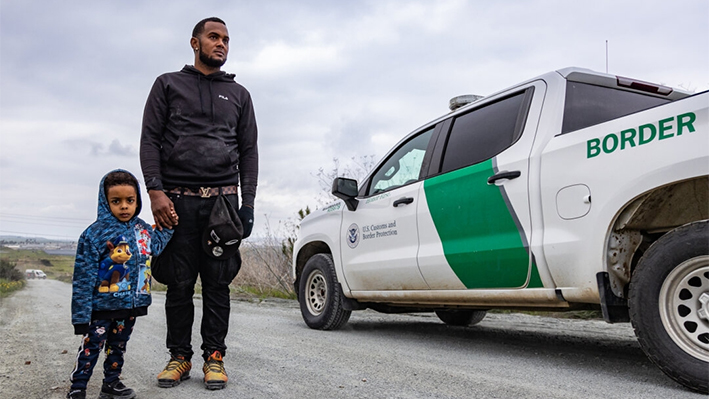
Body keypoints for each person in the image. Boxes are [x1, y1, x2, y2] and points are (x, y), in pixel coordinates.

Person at [139, 16, 258, 391]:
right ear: (195, 43)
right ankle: (179, 357)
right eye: (213, 37)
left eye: (225, 39)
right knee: (178, 284)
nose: (221, 44)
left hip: (223, 204)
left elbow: (249, 152)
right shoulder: (168, 84)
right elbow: (150, 141)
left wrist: (248, 204)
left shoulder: (239, 95)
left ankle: (214, 358)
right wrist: (156, 192)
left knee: (218, 285)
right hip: (176, 203)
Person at [68, 170, 173, 399]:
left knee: (118, 346)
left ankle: (111, 384)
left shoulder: (143, 229)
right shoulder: (94, 235)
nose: (124, 207)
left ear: (137, 201)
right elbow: (83, 279)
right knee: (91, 347)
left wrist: (170, 225)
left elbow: (155, 247)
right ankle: (78, 387)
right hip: (100, 308)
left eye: (130, 201)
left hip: (130, 306)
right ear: (106, 202)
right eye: (116, 201)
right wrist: (81, 317)